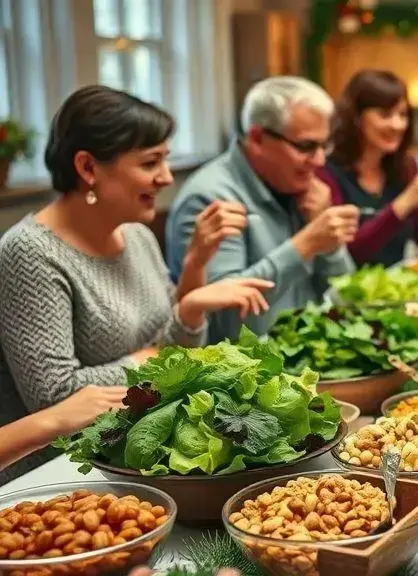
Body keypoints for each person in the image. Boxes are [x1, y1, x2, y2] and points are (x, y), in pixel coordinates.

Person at [0, 86, 271, 483]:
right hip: (63, 474)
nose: (166, 177)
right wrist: (151, 356)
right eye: (151, 163)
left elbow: (174, 354)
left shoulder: (137, 234)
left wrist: (190, 307)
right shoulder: (29, 252)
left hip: (137, 453)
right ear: (88, 168)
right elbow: (56, 398)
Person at [167, 76, 360, 342]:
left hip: (311, 354)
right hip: (252, 373)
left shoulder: (299, 186)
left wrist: (330, 246)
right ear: (257, 138)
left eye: (324, 145)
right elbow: (226, 323)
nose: (319, 160)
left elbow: (347, 298)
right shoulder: (210, 197)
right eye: (306, 146)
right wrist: (304, 245)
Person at [318, 69, 418, 267]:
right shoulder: (327, 172)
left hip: (400, 290)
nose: (398, 125)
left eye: (402, 114)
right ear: (356, 117)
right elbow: (348, 253)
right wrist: (403, 204)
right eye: (385, 114)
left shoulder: (406, 167)